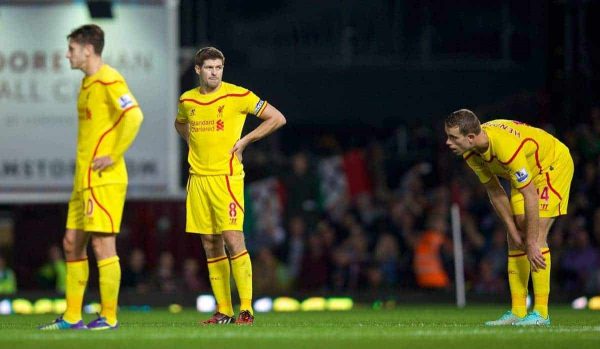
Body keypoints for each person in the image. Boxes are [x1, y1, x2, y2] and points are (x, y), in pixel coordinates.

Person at [39, 24, 143, 330]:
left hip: (104, 178)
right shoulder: (87, 84)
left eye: (71, 49)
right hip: (83, 180)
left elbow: (134, 115)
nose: (67, 55)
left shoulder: (109, 79)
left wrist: (113, 154)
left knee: (102, 246)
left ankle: (109, 316)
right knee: (72, 243)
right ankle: (72, 317)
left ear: (87, 49)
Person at [174, 47, 286, 325]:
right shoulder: (187, 100)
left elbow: (277, 118)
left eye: (219, 68)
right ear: (198, 70)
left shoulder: (238, 95)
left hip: (226, 179)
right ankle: (223, 310)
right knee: (211, 245)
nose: (214, 72)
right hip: (198, 180)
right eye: (209, 68)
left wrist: (245, 141)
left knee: (234, 240)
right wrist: (194, 143)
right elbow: (180, 124)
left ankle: (246, 308)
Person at [444, 109, 573, 326]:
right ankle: (518, 311)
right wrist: (512, 230)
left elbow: (530, 194)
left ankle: (541, 313)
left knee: (536, 236)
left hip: (551, 166)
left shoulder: (505, 148)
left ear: (470, 137)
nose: (448, 142)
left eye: (453, 137)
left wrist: (531, 243)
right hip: (526, 174)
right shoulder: (470, 153)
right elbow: (494, 191)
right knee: (515, 238)